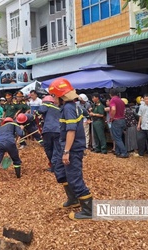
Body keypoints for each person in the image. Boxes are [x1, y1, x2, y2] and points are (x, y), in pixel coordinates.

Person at [48, 78, 92, 220]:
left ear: (60, 96)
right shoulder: (69, 106)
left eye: (54, 96)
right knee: (60, 170)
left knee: (74, 177)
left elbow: (71, 131)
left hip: (72, 148)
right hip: (65, 146)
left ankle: (89, 210)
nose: (52, 99)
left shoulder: (68, 108)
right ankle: (72, 199)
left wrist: (66, 151)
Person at [0, 117, 24, 186]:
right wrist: (21, 128)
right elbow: (21, 134)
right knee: (16, 160)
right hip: (10, 143)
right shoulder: (14, 124)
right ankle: (18, 176)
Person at [35, 95, 61, 172]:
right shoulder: (58, 108)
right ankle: (56, 166)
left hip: (48, 130)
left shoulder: (46, 105)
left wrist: (36, 112)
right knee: (56, 148)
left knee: (48, 148)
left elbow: (40, 111)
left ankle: (53, 165)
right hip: (58, 130)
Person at [109, 89, 128, 158]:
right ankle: (118, 151)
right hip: (122, 119)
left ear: (110, 94)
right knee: (119, 137)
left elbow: (113, 109)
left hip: (116, 120)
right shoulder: (121, 100)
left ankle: (124, 152)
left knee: (117, 137)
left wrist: (111, 117)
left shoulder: (112, 100)